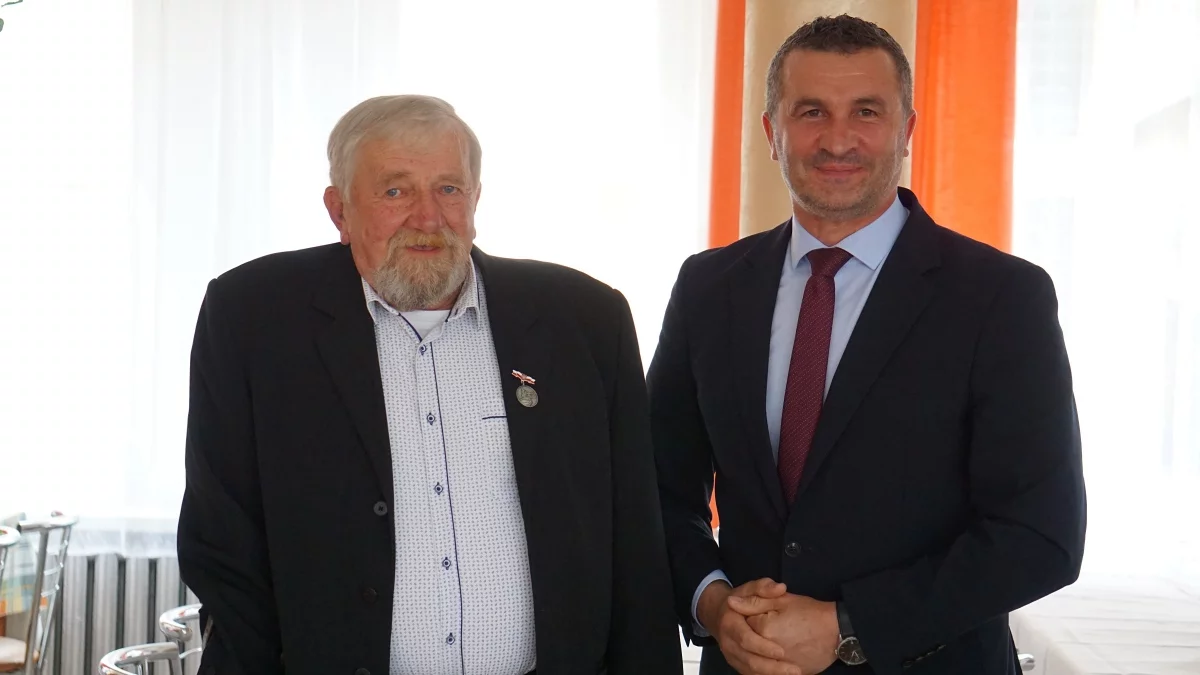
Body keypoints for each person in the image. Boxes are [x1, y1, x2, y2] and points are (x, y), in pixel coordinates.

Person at [177, 94, 682, 675]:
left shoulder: (584, 321)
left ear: (475, 199)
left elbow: (636, 545)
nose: (427, 218)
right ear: (339, 211)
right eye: (395, 191)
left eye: (448, 188)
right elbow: (223, 543)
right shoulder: (254, 319)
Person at [649, 15, 1085, 675]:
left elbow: (1040, 534)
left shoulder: (1002, 298)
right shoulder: (709, 287)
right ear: (771, 132)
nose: (838, 139)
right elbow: (657, 489)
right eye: (811, 112)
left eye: (866, 112)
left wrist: (846, 625)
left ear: (906, 131)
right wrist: (712, 604)